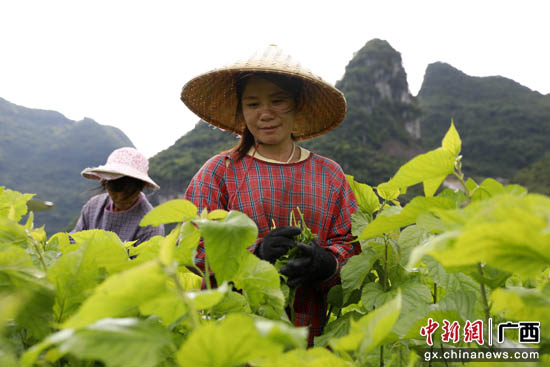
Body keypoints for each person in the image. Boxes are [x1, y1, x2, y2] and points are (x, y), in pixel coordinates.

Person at [181, 45, 360, 346]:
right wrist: (257, 255)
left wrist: (327, 264)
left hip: (311, 334)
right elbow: (194, 250)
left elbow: (352, 246)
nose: (265, 114)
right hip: (237, 338)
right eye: (252, 104)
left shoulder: (329, 175)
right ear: (241, 109)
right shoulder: (220, 172)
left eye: (278, 101)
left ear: (297, 105)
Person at [72, 147, 164, 245]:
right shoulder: (93, 207)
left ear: (142, 186)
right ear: (105, 182)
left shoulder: (151, 224)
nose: (119, 198)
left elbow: (148, 259)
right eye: (114, 193)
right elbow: (73, 240)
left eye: (127, 197)